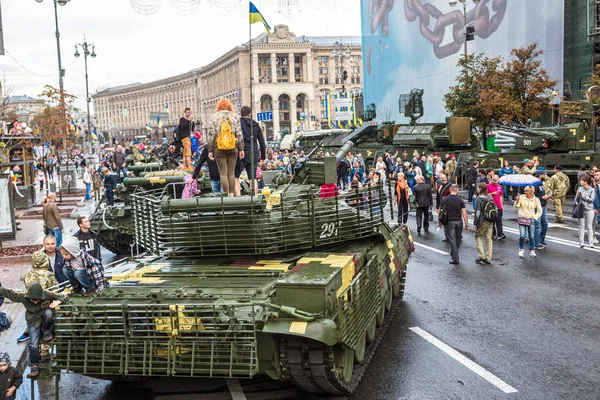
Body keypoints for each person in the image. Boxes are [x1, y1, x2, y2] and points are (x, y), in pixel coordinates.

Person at [0, 283, 65, 378]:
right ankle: (34, 364)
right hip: (34, 321)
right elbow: (8, 293)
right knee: (33, 343)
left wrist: (58, 301)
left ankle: (47, 331)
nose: (35, 302)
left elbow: (63, 295)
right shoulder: (22, 296)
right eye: (32, 300)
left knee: (49, 312)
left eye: (37, 300)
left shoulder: (47, 294)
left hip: (46, 318)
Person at [208, 98, 244, 196]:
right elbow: (239, 133)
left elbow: (211, 134)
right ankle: (231, 195)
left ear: (218, 106)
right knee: (231, 173)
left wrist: (210, 150)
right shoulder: (235, 116)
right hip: (233, 148)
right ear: (229, 106)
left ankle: (225, 196)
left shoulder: (214, 117)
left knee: (223, 173)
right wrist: (241, 148)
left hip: (219, 148)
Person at [438, 184, 469, 265]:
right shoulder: (460, 200)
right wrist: (467, 225)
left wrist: (439, 222)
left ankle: (455, 258)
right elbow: (464, 213)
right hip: (459, 222)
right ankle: (454, 254)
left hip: (450, 222)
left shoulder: (445, 199)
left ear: (449, 190)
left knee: (452, 240)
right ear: (457, 190)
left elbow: (440, 212)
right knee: (458, 240)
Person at [239, 106, 267, 194]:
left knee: (236, 176)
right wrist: (263, 157)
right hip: (253, 152)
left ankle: (237, 198)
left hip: (241, 152)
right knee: (253, 177)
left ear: (241, 114)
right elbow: (262, 142)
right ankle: (254, 197)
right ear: (250, 114)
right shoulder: (256, 125)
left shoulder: (238, 124)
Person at [514, 186, 542, 258]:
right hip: (522, 217)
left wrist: (535, 217)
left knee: (532, 236)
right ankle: (521, 249)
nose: (525, 192)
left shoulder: (536, 200)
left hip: (531, 219)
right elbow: (516, 206)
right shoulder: (521, 197)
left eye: (527, 191)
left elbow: (540, 211)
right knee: (522, 235)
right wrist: (517, 200)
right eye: (524, 190)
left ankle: (532, 251)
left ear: (531, 191)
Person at [474, 183, 494, 264]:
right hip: (490, 220)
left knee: (478, 236)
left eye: (478, 188)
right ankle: (488, 258)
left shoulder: (479, 199)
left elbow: (478, 212)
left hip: (482, 221)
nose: (477, 189)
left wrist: (476, 222)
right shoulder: (490, 197)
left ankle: (481, 256)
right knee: (489, 239)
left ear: (480, 189)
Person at [575, 175, 596, 248]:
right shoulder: (580, 188)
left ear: (585, 182)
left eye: (581, 180)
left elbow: (591, 200)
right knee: (581, 226)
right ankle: (581, 242)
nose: (580, 181)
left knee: (589, 226)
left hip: (590, 210)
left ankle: (591, 243)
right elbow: (576, 200)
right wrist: (578, 195)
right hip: (581, 209)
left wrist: (583, 196)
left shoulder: (592, 189)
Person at [533, 169, 551, 249]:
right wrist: (542, 197)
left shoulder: (541, 184)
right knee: (537, 225)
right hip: (537, 207)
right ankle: (536, 243)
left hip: (543, 206)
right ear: (540, 175)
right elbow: (532, 196)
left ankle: (541, 239)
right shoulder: (534, 184)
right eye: (544, 175)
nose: (545, 176)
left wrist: (547, 196)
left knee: (545, 224)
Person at [487, 174, 505, 240]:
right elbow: (485, 195)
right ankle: (493, 233)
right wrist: (492, 193)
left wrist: (501, 205)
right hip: (491, 206)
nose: (495, 182)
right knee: (492, 221)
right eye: (494, 180)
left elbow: (500, 196)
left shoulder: (499, 186)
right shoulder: (488, 186)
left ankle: (500, 234)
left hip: (498, 206)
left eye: (497, 180)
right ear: (491, 179)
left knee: (499, 220)